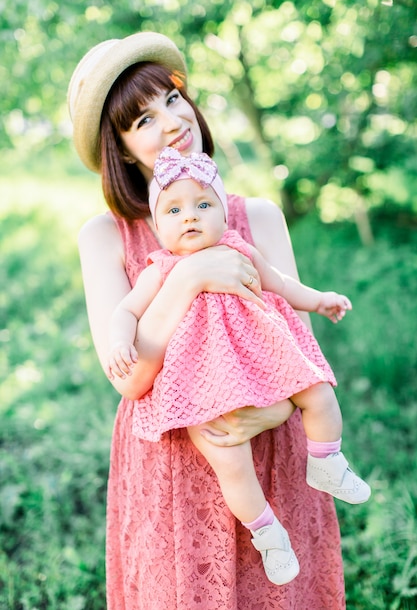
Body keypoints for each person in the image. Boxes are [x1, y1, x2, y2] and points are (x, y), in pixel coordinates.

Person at [68, 31, 352, 608]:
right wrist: (193, 276)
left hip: (268, 444)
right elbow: (129, 379)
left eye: (172, 100)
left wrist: (267, 412)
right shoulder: (105, 236)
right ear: (120, 149)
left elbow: (295, 347)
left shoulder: (259, 217)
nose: (172, 121)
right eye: (142, 120)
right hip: (174, 461)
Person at [106, 147, 370, 585]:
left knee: (320, 389)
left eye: (204, 204)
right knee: (231, 459)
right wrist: (120, 338)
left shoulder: (238, 248)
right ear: (157, 227)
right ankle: (267, 533)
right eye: (174, 209)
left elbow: (282, 284)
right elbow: (127, 311)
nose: (190, 216)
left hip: (261, 365)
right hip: (199, 383)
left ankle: (327, 459)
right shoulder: (162, 270)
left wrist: (320, 300)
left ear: (225, 216)